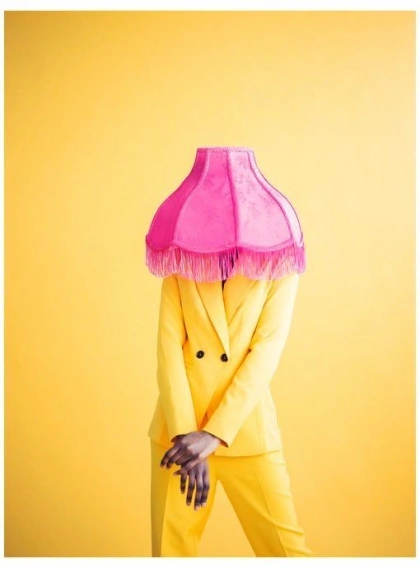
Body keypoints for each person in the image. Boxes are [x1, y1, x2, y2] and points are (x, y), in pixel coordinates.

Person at [148, 257, 313, 557]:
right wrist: (186, 436)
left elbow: (265, 353)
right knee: (171, 553)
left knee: (287, 552)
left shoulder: (279, 260)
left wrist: (214, 434)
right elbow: (168, 348)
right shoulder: (182, 256)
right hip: (180, 432)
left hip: (244, 428)